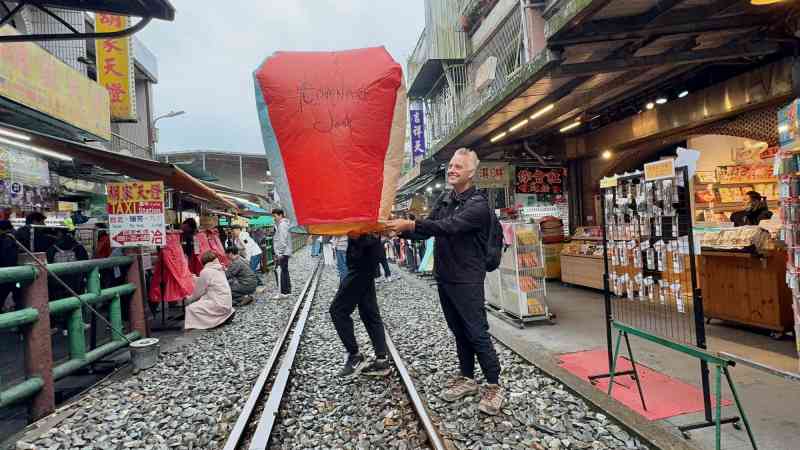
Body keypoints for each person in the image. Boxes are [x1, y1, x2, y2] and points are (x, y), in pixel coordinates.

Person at [385, 147, 504, 416]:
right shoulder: (446, 198)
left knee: (476, 332)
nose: (451, 170)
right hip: (446, 276)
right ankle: (467, 377)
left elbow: (449, 227)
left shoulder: (478, 205)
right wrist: (399, 231)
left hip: (468, 278)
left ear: (471, 173)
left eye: (458, 167)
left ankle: (494, 384)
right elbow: (429, 230)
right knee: (459, 331)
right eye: (451, 166)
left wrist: (411, 225)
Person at [330, 233, 390, 377]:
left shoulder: (363, 225)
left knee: (337, 310)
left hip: (360, 264)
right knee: (369, 312)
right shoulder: (365, 219)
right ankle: (381, 360)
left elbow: (371, 236)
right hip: (365, 262)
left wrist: (356, 235)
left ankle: (355, 355)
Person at [185, 250, 234, 330]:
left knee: (191, 308)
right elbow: (208, 281)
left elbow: (199, 291)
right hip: (226, 301)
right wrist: (196, 279)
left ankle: (218, 321)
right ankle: (225, 316)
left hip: (218, 302)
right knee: (201, 303)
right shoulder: (219, 268)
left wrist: (189, 299)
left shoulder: (205, 271)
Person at [46, 227, 89, 299]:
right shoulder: (79, 247)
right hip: (76, 283)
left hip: (57, 283)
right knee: (76, 302)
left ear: (59, 233)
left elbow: (48, 263)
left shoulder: (52, 248)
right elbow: (85, 264)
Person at [272, 208, 292, 298]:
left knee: (280, 271)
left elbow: (282, 240)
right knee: (284, 271)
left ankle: (282, 292)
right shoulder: (282, 224)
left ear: (280, 215)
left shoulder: (282, 225)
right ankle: (286, 291)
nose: (274, 218)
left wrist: (279, 252)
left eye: (275, 216)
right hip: (284, 252)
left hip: (282, 252)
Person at [0, 221, 20, 310]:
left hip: (6, 274)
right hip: (14, 274)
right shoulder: (14, 237)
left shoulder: (7, 239)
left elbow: (6, 258)